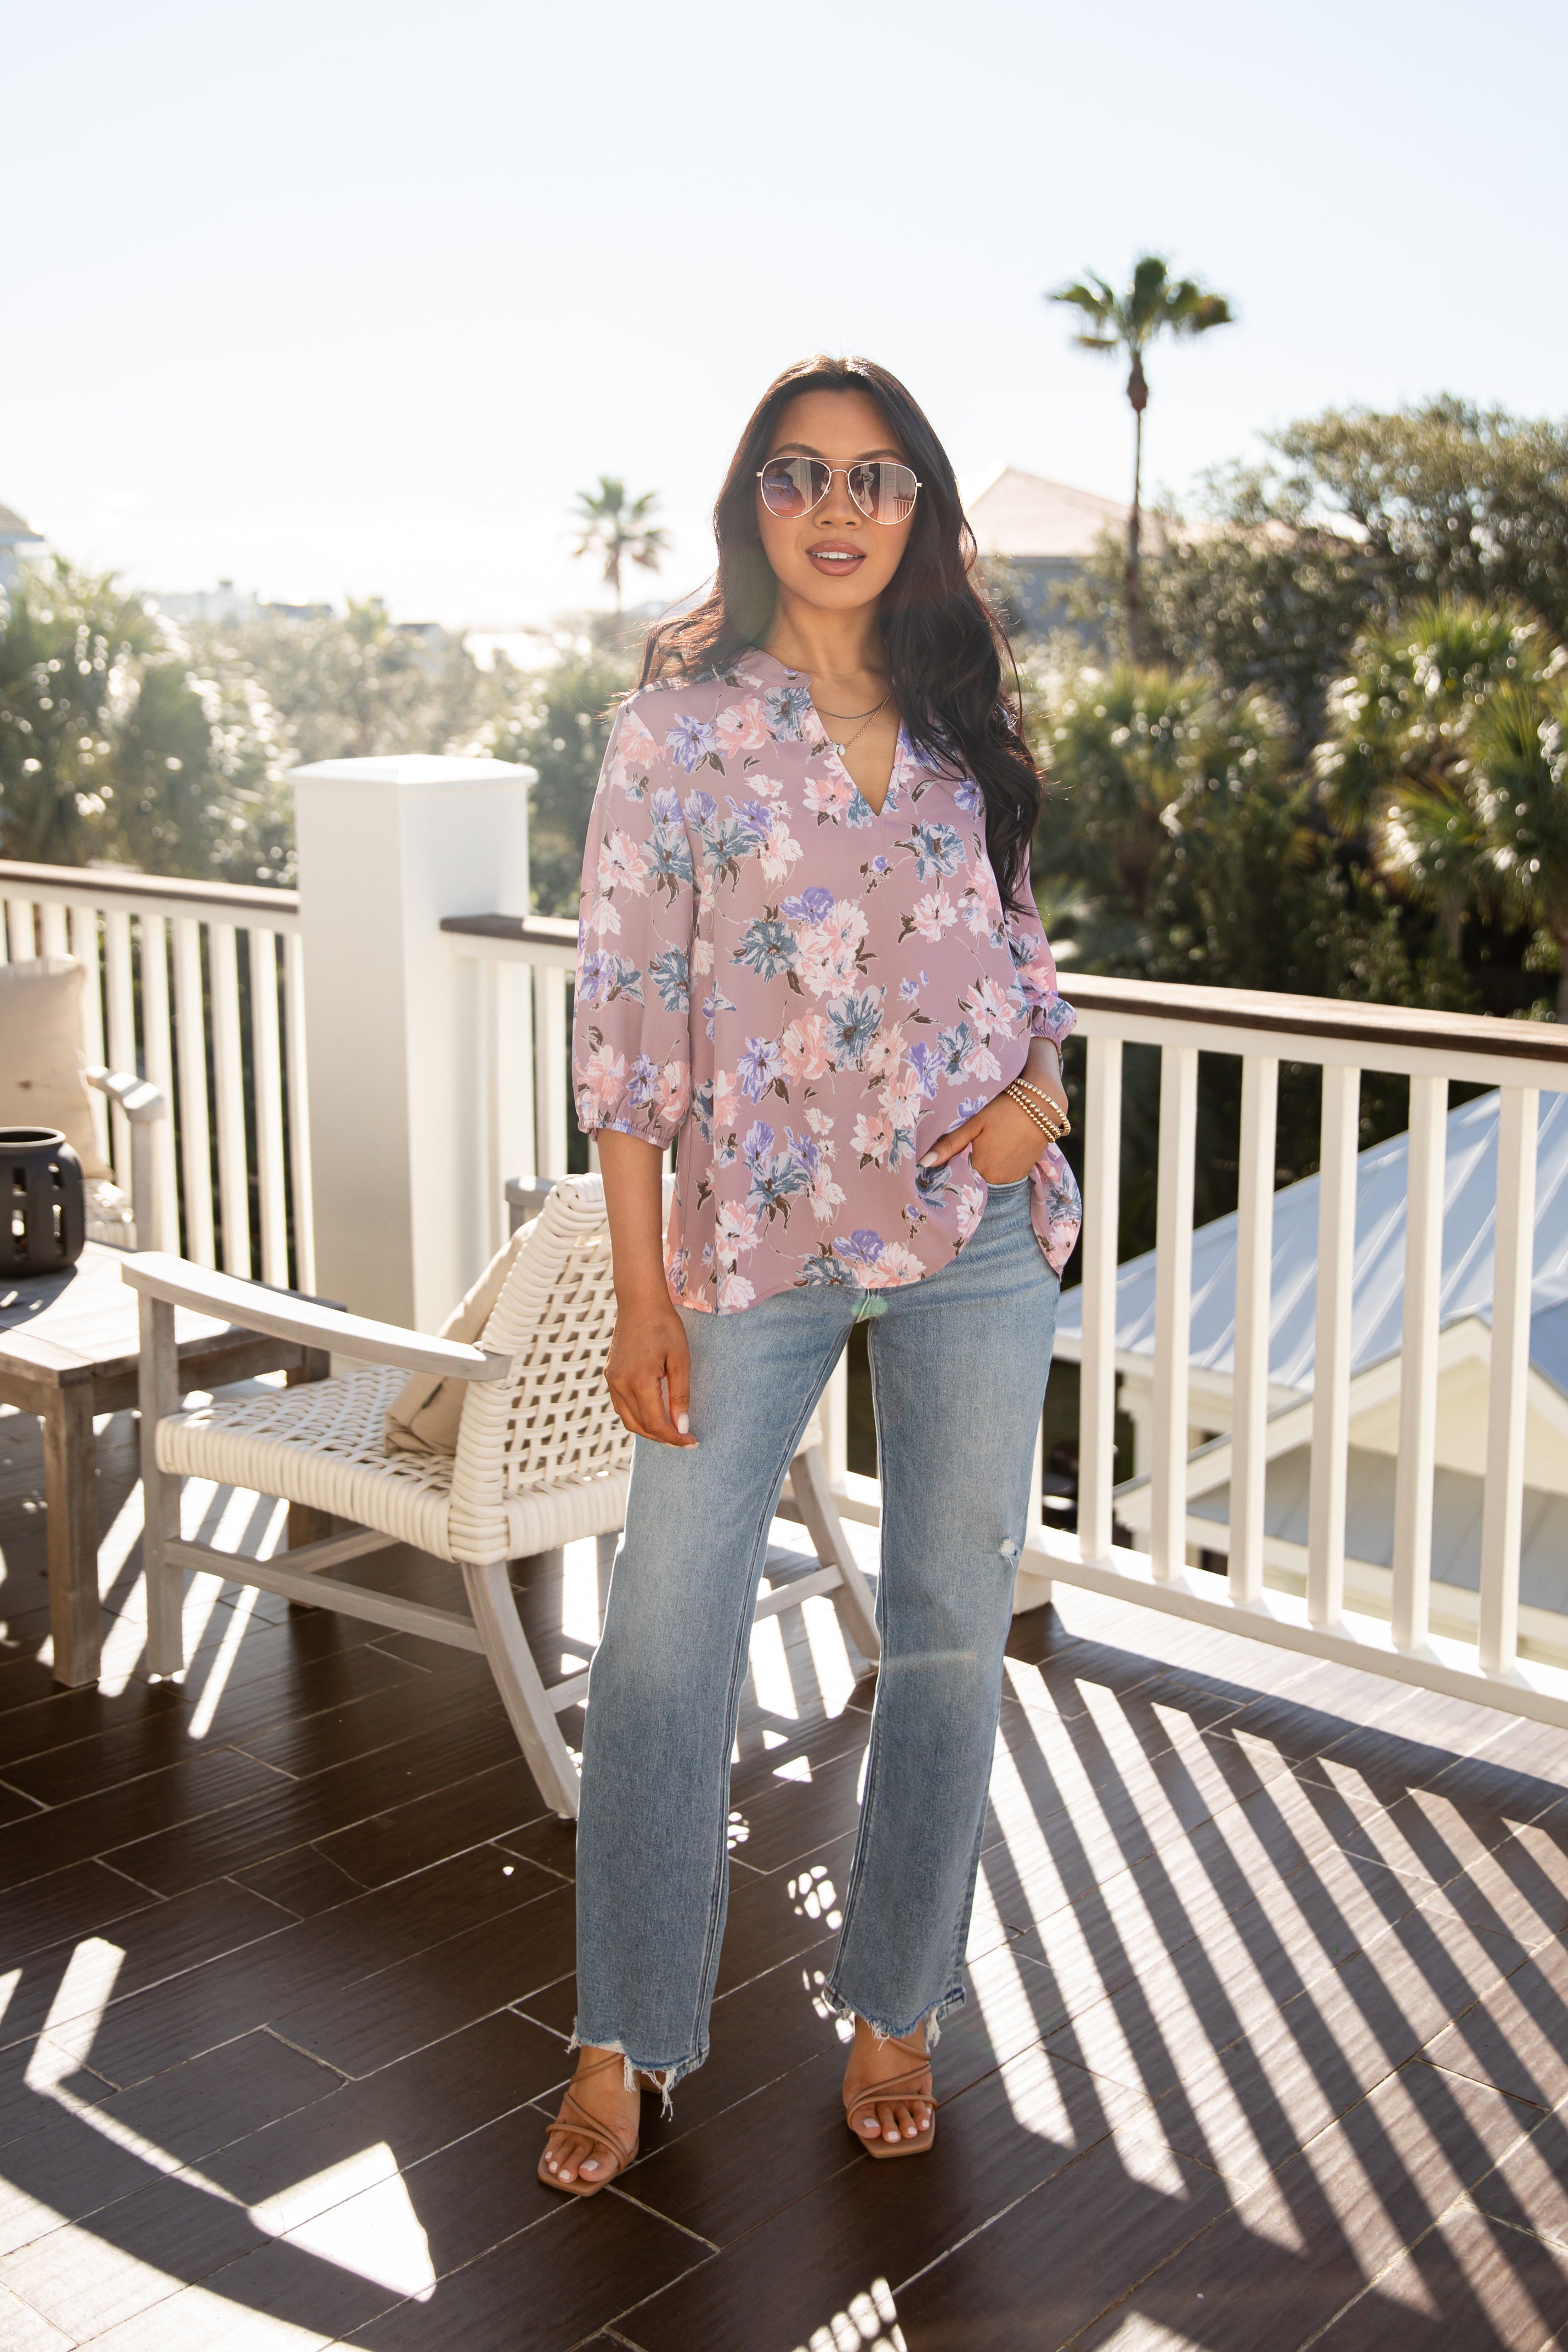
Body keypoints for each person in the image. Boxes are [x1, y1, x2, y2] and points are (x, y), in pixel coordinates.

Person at [540, 355, 1080, 2194]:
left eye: (877, 478)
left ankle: (896, 2006)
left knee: (944, 1635)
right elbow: (621, 1029)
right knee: (667, 1644)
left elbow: (1025, 949)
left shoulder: (959, 719)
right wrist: (635, 1294)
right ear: (749, 502)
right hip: (745, 1250)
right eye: (798, 474)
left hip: (975, 1237)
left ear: (918, 509)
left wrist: (1035, 1097)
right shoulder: (676, 730)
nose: (839, 508)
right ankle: (625, 2037)